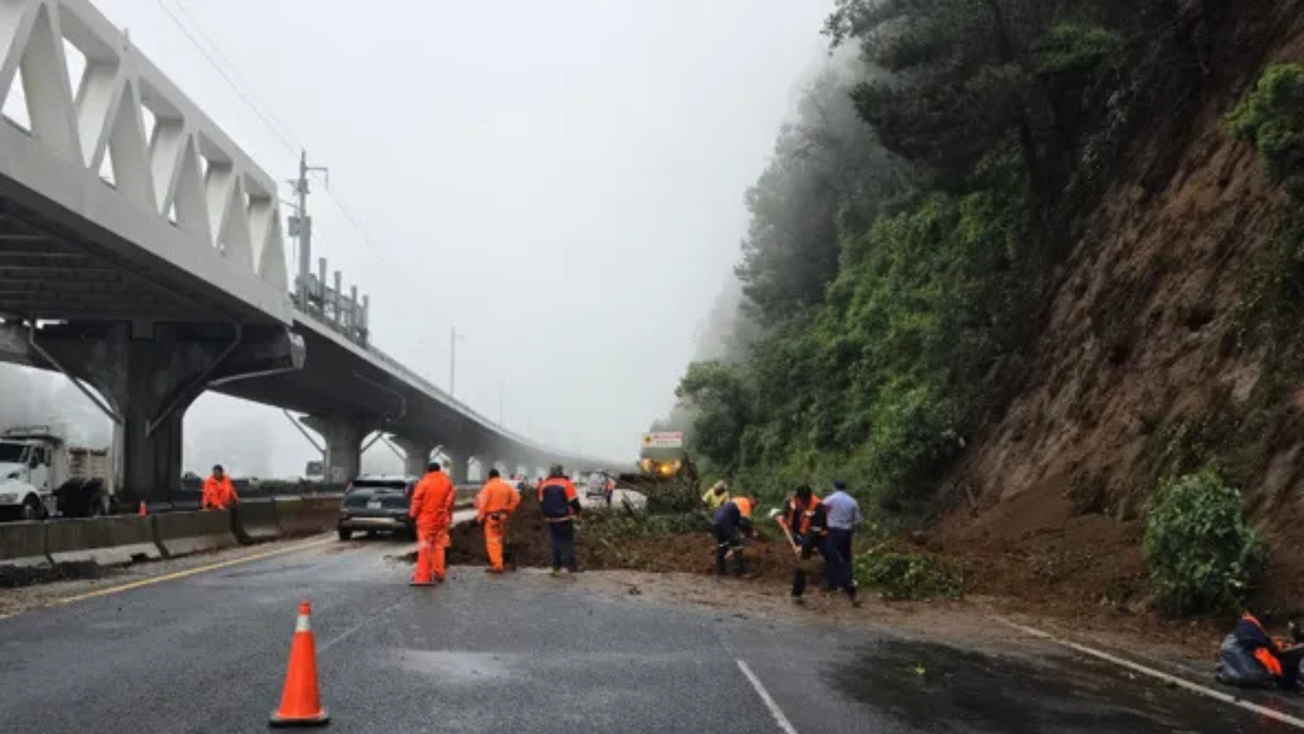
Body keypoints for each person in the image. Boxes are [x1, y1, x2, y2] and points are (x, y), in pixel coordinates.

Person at [1218, 612, 1304, 690]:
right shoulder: (1248, 626)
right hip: (1271, 668)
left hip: (1271, 664)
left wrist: (1274, 644)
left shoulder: (1249, 625)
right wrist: (1274, 646)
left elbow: (1262, 642)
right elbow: (1259, 643)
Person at [779, 484, 827, 604]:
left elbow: (815, 531)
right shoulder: (792, 500)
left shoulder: (818, 506)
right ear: (797, 497)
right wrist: (783, 516)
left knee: (825, 557)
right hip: (800, 532)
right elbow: (786, 511)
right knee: (802, 561)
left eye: (805, 501)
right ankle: (796, 594)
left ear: (809, 498)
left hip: (818, 535)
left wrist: (803, 546)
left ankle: (826, 583)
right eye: (801, 500)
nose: (802, 503)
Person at [409, 461, 455, 585]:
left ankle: (423, 577)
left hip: (426, 521)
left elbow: (417, 500)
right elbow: (450, 503)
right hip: (442, 521)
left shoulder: (424, 482)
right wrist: (448, 518)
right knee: (439, 547)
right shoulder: (447, 483)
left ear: (428, 471)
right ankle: (439, 573)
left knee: (425, 548)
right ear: (439, 470)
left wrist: (412, 515)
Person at [822, 480, 862, 606]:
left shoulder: (829, 500)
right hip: (846, 533)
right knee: (846, 558)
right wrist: (856, 532)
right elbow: (858, 521)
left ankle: (832, 584)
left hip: (833, 531)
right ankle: (848, 583)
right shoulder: (852, 501)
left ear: (834, 487)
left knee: (832, 557)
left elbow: (822, 513)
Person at [539, 464, 582, 576]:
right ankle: (571, 566)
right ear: (561, 472)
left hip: (551, 519)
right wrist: (578, 511)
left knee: (555, 542)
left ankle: (556, 567)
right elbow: (574, 502)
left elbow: (542, 503)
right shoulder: (566, 484)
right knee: (567, 542)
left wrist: (547, 514)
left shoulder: (544, 485)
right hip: (565, 518)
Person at [475, 469, 520, 574]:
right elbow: (517, 498)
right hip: (503, 516)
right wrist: (509, 509)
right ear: (499, 476)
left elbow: (482, 504)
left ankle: (497, 565)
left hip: (491, 517)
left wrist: (480, 517)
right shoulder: (506, 486)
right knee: (499, 540)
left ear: (489, 477)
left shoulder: (488, 487)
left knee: (492, 542)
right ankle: (501, 561)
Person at [711, 495, 756, 578]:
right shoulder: (746, 503)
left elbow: (736, 521)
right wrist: (751, 532)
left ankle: (719, 572)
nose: (754, 507)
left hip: (715, 522)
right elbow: (744, 522)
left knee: (722, 546)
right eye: (755, 503)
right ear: (751, 499)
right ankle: (740, 572)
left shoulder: (735, 500)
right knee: (737, 546)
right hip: (725, 523)